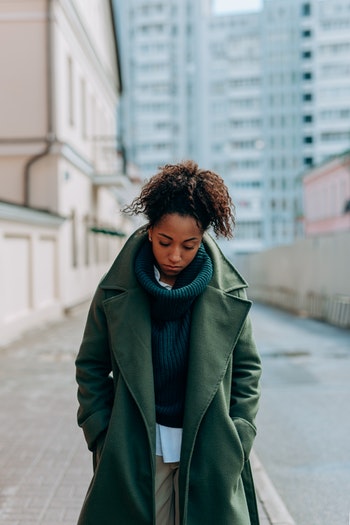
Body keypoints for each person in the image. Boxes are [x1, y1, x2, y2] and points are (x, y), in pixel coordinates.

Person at [75, 160, 262, 525]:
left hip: (210, 449)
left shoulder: (228, 293)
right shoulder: (115, 291)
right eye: (165, 242)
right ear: (149, 232)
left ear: (203, 239)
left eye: (189, 245)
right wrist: (101, 431)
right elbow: (91, 365)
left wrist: (240, 433)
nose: (175, 255)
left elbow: (248, 369)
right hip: (136, 449)